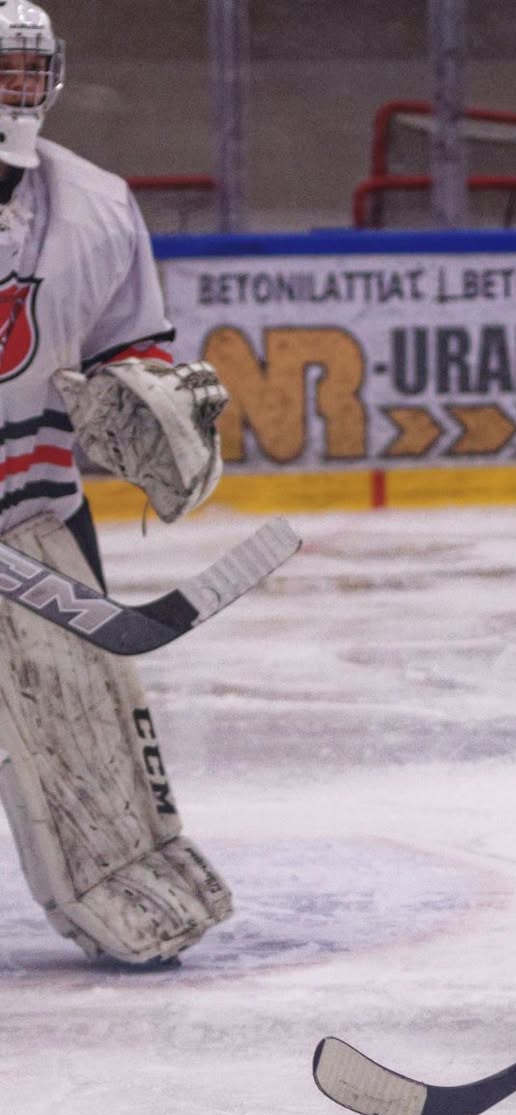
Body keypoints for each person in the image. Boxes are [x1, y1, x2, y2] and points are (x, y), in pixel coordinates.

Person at [0, 0, 236, 967]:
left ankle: (118, 870)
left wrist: (151, 397)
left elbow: (129, 345)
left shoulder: (94, 201)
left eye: (27, 69)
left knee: (84, 715)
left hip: (41, 512)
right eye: (0, 69)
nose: (18, 88)